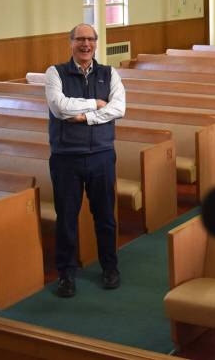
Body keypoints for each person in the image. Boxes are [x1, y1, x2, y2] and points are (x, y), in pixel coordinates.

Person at [44, 23, 126, 298]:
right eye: (80, 39)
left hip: (101, 155)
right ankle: (66, 274)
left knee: (105, 217)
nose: (86, 44)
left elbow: (119, 108)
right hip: (66, 157)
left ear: (96, 43)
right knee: (66, 218)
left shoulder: (109, 73)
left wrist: (85, 117)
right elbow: (59, 107)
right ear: (71, 43)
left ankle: (110, 268)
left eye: (90, 39)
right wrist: (95, 103)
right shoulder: (55, 73)